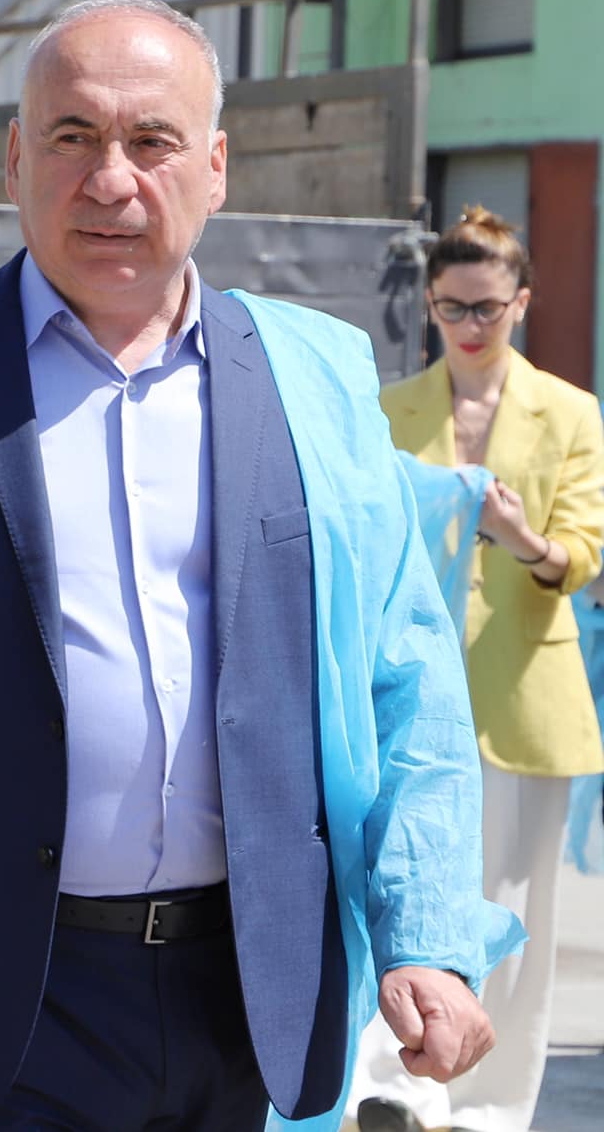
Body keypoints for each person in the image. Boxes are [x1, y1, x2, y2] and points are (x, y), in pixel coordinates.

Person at [0, 0, 522, 1132]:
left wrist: (427, 933)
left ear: (213, 168)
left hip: (247, 993)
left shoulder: (312, 378)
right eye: (71, 137)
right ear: (14, 160)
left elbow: (403, 672)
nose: (109, 180)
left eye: (151, 141)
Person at [351, 209, 604, 1132]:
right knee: (401, 885)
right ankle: (396, 1085)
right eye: (451, 306)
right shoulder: (390, 407)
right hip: (410, 687)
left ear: (522, 304)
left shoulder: (570, 411)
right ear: (428, 302)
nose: (468, 325)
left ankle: (491, 1106)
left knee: (515, 910)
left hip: (525, 691)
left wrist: (518, 536)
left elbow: (582, 556)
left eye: (488, 308)